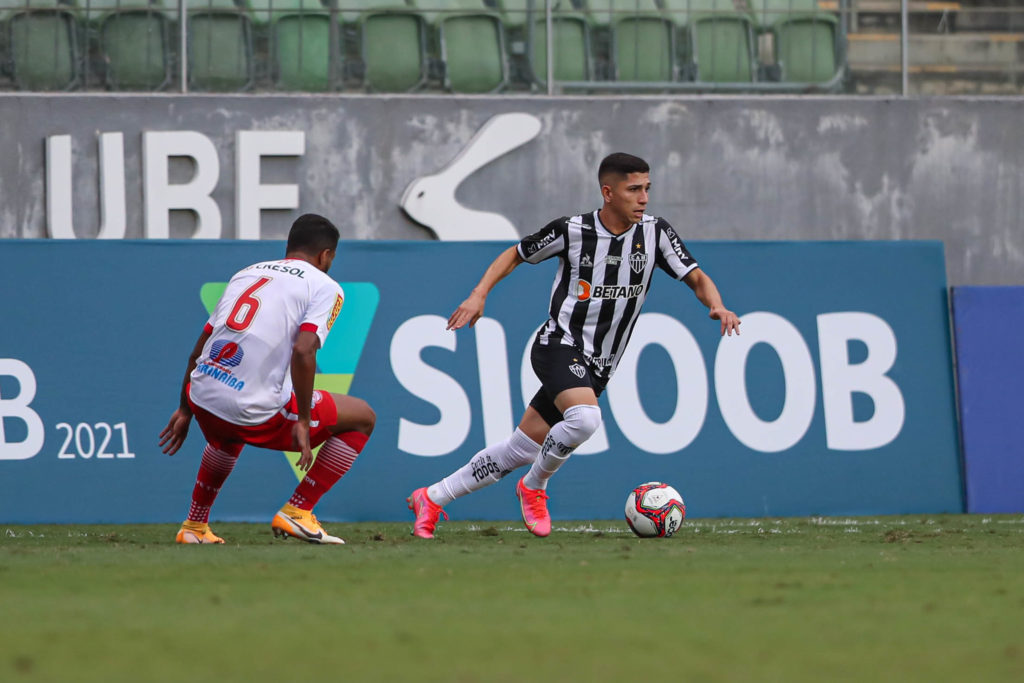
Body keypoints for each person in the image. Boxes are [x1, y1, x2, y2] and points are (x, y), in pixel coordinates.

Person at [407, 153, 740, 539]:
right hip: (558, 344)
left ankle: (432, 497)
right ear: (608, 192)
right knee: (584, 419)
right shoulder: (572, 230)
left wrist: (716, 305)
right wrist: (478, 294)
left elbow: (696, 277)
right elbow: (515, 254)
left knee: (520, 448)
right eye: (634, 189)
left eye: (647, 188)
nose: (644, 198)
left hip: (599, 366)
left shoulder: (656, 233)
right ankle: (533, 488)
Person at [160, 213, 375, 545]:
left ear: (288, 247)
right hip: (251, 409)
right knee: (362, 417)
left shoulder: (245, 273)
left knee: (224, 437)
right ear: (326, 256)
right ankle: (298, 511)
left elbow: (199, 346)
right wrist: (303, 419)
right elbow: (304, 351)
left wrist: (184, 409)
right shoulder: (325, 286)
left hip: (201, 395)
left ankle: (194, 526)